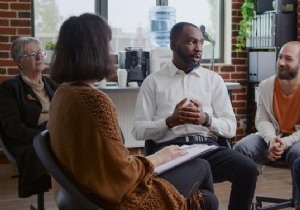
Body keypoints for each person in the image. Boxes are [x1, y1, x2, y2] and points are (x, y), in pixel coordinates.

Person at [48, 13, 218, 210]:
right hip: (118, 200)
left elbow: (110, 162)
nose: (110, 51)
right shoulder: (94, 101)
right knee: (202, 166)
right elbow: (123, 175)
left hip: (86, 194)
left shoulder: (62, 94)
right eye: (107, 44)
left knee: (207, 201)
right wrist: (159, 157)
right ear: (95, 50)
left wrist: (146, 159)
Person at [132, 21, 258, 210]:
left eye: (200, 42)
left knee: (248, 169)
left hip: (207, 149)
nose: (199, 48)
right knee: (206, 199)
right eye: (191, 42)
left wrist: (206, 119)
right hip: (171, 151)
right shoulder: (153, 82)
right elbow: (138, 130)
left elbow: (231, 127)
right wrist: (169, 121)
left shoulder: (213, 80)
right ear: (173, 45)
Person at [234, 41, 300, 207]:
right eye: (280, 57)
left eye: (289, 59)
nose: (281, 62)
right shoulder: (266, 85)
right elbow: (262, 120)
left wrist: (283, 143)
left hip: (296, 141)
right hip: (273, 137)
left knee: (298, 155)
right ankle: (242, 205)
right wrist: (272, 141)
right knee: (242, 148)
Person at [0, 36, 56, 197]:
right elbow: (13, 128)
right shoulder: (10, 88)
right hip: (31, 140)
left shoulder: (51, 84)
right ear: (19, 62)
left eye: (40, 52)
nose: (39, 57)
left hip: (56, 135)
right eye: (32, 55)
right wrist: (47, 136)